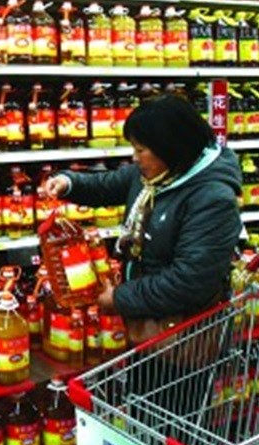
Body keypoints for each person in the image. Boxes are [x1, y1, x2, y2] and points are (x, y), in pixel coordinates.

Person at [44, 94, 242, 321]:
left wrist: (119, 299)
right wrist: (68, 183)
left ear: (171, 149)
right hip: (148, 313)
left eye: (140, 150)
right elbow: (106, 184)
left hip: (184, 326)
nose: (134, 158)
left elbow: (189, 281)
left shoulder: (213, 200)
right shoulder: (157, 175)